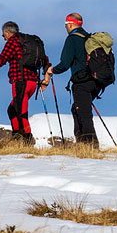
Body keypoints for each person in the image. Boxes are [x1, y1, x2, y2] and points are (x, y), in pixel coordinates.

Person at [0, 21, 49, 145]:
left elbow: (1, 60)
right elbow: (45, 59)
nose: (4, 38)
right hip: (33, 83)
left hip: (20, 81)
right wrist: (46, 77)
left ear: (7, 32)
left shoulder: (13, 41)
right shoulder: (29, 41)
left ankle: (28, 139)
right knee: (12, 109)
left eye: (3, 35)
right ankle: (17, 136)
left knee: (20, 111)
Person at [44, 13, 99, 147]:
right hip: (96, 81)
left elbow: (65, 63)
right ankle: (82, 143)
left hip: (82, 81)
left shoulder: (72, 39)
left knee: (83, 111)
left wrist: (52, 70)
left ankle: (90, 145)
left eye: (66, 25)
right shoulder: (89, 38)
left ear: (70, 24)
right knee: (77, 109)